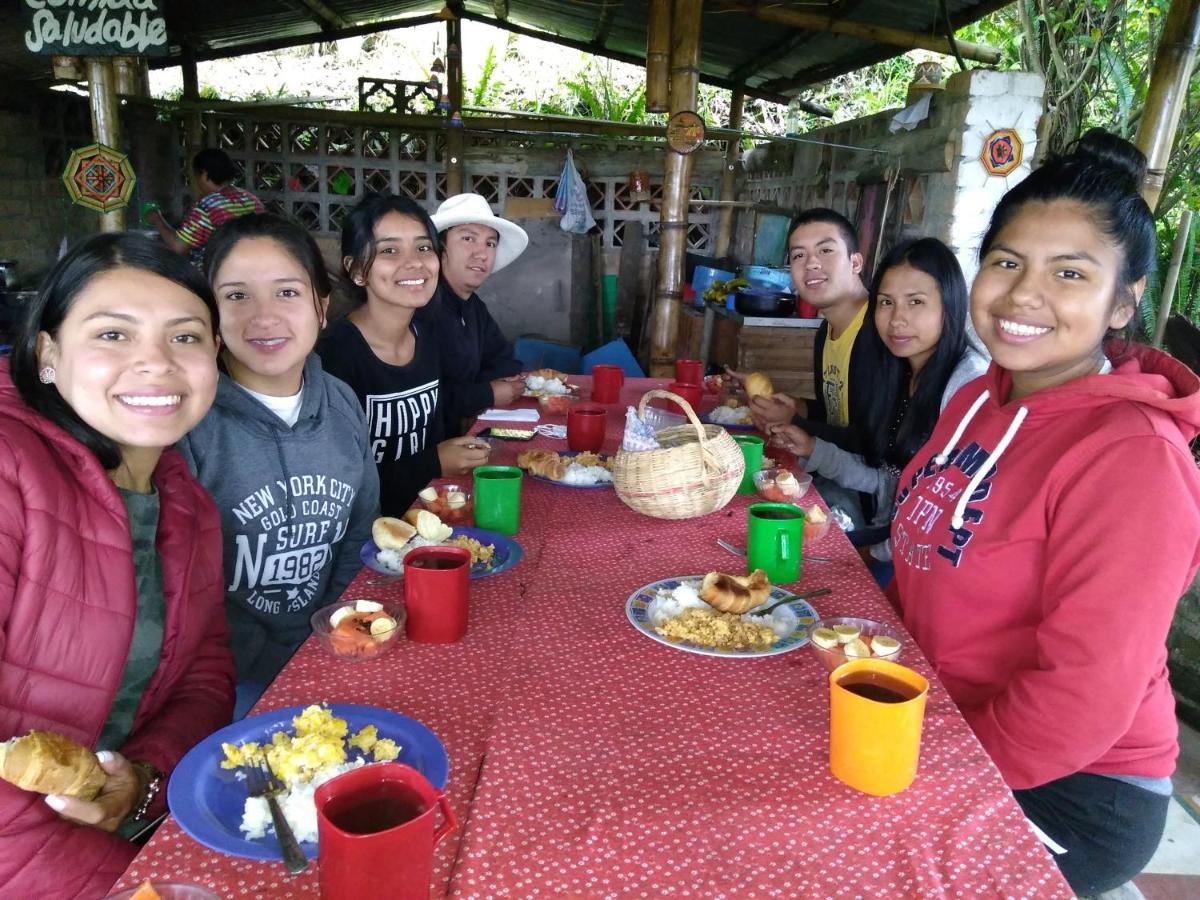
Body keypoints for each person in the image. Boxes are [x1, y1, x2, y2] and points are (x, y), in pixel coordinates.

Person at [888, 130, 1200, 895]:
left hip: (1073, 787)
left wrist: (936, 767)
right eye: (1006, 262)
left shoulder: (1132, 457)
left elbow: (1081, 696)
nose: (1024, 294)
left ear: (1123, 301)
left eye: (1070, 273)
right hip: (943, 719)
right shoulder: (977, 398)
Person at [0, 233, 235, 896]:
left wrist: (140, 780)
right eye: (113, 335)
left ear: (215, 356)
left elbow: (206, 677)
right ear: (48, 355)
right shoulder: (9, 468)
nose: (155, 363)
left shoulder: (186, 502)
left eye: (185, 338)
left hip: (130, 830)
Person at [178, 214, 381, 718]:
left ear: (322, 306)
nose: (263, 317)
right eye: (237, 295)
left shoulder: (340, 402)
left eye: (287, 292)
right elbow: (182, 590)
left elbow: (359, 534)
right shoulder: (187, 424)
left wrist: (327, 635)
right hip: (227, 680)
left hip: (329, 650)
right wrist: (270, 667)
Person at [768, 238, 986, 584]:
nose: (897, 319)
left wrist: (872, 555)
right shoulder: (898, 372)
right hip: (887, 535)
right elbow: (889, 482)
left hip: (926, 563)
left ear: (950, 304)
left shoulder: (967, 387)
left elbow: (944, 511)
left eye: (916, 302)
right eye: (886, 302)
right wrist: (813, 449)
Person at [317, 193, 490, 515]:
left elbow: (431, 437)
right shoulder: (333, 357)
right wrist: (434, 462)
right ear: (356, 270)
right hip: (367, 542)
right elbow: (335, 485)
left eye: (423, 248)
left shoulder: (426, 338)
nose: (414, 262)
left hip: (424, 518)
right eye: (390, 250)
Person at [743, 208, 873, 448]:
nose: (812, 263)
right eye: (799, 255)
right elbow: (833, 415)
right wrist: (795, 407)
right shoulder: (827, 331)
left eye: (825, 250)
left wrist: (795, 421)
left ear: (855, 262)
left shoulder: (877, 330)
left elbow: (872, 442)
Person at [430, 192, 528, 436]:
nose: (481, 253)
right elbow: (419, 398)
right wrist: (485, 393)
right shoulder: (422, 308)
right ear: (440, 247)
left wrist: (477, 391)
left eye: (490, 243)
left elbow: (506, 361)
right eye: (468, 238)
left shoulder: (473, 307)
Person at [149, 148, 265, 265]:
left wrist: (157, 219)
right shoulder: (251, 199)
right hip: (251, 265)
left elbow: (178, 247)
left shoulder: (206, 207)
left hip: (215, 272)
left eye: (196, 176)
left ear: (204, 174)